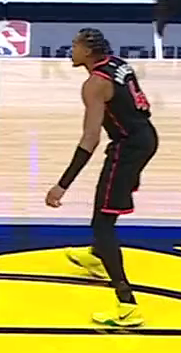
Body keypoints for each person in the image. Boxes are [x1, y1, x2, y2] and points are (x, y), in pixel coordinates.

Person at [41, 27, 158, 328]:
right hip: (146, 137)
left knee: (102, 223)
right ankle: (96, 256)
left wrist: (62, 185)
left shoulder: (94, 84)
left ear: (88, 52)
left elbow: (90, 139)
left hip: (127, 148)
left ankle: (127, 305)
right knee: (107, 206)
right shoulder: (118, 63)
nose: (71, 51)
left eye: (75, 46)